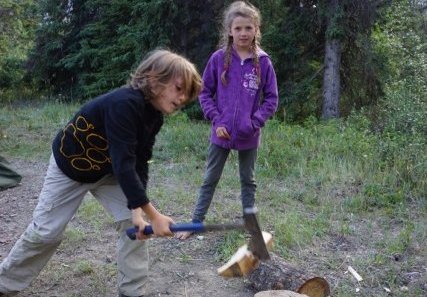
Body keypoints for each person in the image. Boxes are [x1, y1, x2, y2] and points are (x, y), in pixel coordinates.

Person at [0, 49, 202, 297]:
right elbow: (124, 164)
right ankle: (4, 285)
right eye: (179, 88)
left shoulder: (154, 117)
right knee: (45, 232)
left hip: (108, 174)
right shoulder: (124, 104)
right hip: (69, 170)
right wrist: (155, 215)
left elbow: (139, 164)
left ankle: (132, 292)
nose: (182, 98)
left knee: (133, 227)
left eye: (187, 95)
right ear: (153, 77)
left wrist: (139, 213)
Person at [176, 1, 278, 240]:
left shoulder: (262, 62)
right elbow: (204, 92)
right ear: (230, 31)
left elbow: (271, 98)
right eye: (238, 28)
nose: (243, 33)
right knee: (210, 178)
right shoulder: (218, 59)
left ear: (256, 30)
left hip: (249, 135)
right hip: (220, 132)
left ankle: (251, 227)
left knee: (248, 181)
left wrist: (254, 123)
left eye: (248, 28)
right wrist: (216, 120)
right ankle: (196, 223)